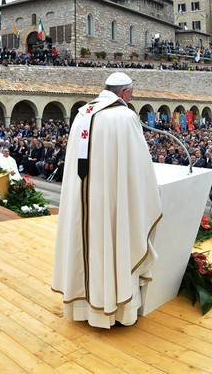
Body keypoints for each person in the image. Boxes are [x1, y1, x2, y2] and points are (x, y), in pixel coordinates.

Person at [52, 72, 163, 329]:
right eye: (132, 93)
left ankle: (81, 307)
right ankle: (116, 309)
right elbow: (139, 167)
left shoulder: (82, 113)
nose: (132, 98)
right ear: (124, 93)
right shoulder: (124, 117)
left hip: (84, 197)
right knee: (114, 240)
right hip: (111, 200)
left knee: (85, 242)